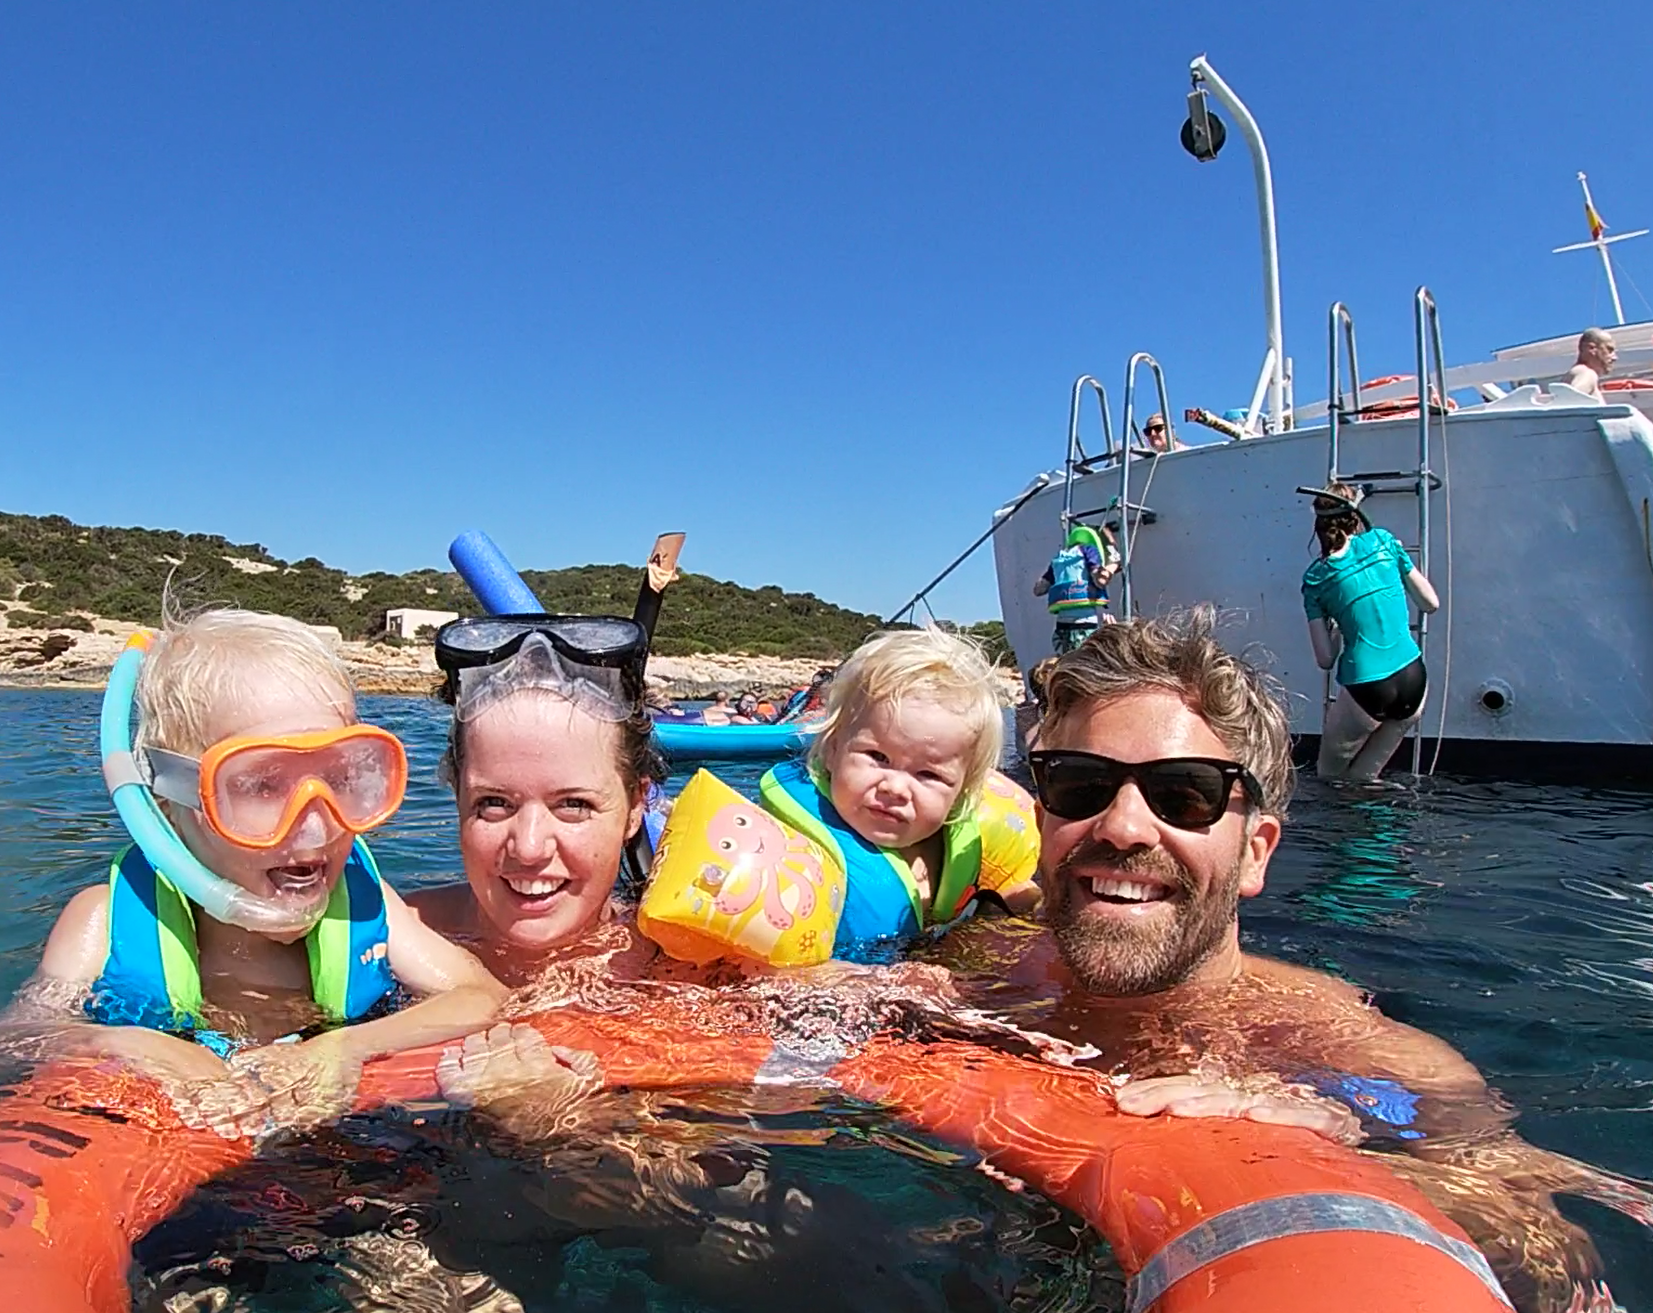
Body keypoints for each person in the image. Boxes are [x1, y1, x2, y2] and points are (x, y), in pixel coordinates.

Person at [942, 610, 1643, 1311]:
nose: (1122, 826)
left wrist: (1336, 1153)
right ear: (1042, 824)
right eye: (1079, 785)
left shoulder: (1366, 1054)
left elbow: (1550, 1253)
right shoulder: (968, 967)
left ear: (1255, 852)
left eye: (1184, 793)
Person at [5, 609, 506, 1133]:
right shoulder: (103, 920)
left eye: (340, 777)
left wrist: (346, 1046)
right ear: (169, 801)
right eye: (262, 785)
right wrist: (127, 1043)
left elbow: (481, 996)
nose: (316, 826)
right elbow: (23, 1038)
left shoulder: (365, 904)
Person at [406, 614, 672, 986]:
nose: (529, 849)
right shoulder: (389, 939)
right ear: (458, 796)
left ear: (635, 808)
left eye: (573, 805)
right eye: (494, 803)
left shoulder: (682, 965)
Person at [758, 627, 1041, 960]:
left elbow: (1018, 898)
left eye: (928, 774)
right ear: (833, 750)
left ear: (963, 791)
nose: (895, 787)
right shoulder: (786, 847)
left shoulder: (969, 845)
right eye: (877, 757)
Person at [1299, 483, 1440, 780]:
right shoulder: (1386, 542)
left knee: (1329, 778)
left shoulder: (1316, 578)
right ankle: (1384, 828)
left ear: (1319, 525)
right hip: (1414, 679)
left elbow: (1325, 659)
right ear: (1355, 516)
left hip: (1367, 685)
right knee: (1365, 778)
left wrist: (1337, 626)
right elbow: (1431, 603)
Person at [1033, 523, 1119, 653]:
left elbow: (1038, 590)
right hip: (1085, 624)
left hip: (1061, 627)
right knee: (1086, 663)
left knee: (1066, 663)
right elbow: (1100, 580)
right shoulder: (1088, 550)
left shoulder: (1059, 558)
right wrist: (1114, 565)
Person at [1560, 328, 1617, 400]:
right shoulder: (1587, 373)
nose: (1615, 357)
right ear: (1591, 348)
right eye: (1609, 350)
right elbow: (1571, 401)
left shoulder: (1575, 373)